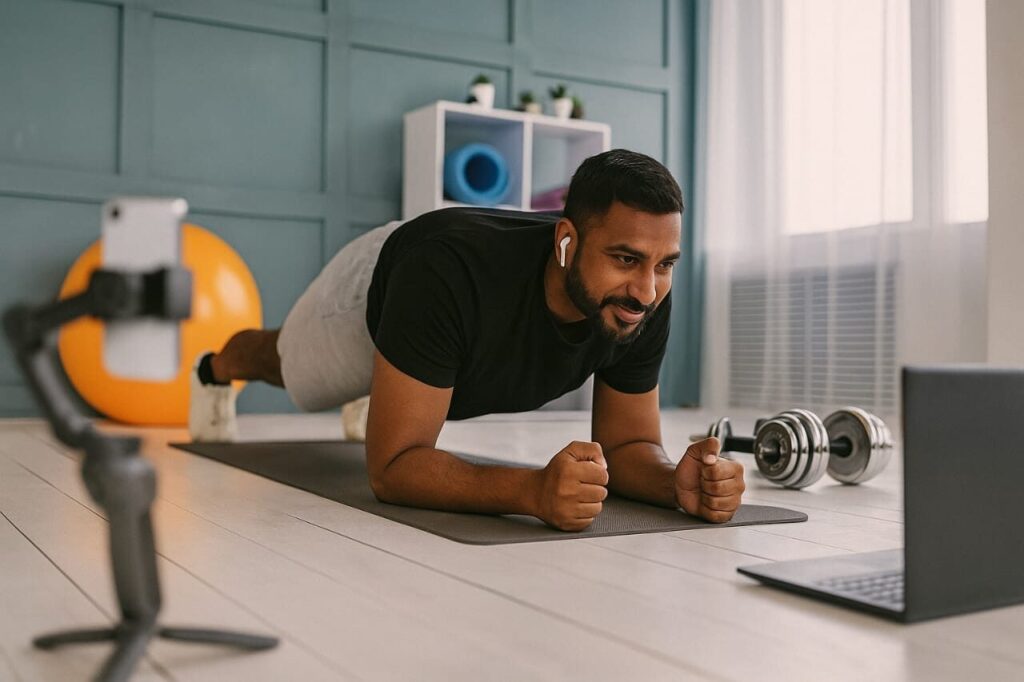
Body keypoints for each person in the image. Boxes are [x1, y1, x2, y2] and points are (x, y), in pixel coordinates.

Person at [189, 149, 745, 531]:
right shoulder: (443, 273)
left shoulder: (639, 298)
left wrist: (678, 482)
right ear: (568, 242)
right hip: (381, 287)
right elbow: (393, 467)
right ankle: (215, 367)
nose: (647, 290)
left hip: (435, 309)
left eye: (664, 264)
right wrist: (531, 492)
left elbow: (626, 449)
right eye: (626, 259)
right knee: (288, 366)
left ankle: (393, 390)